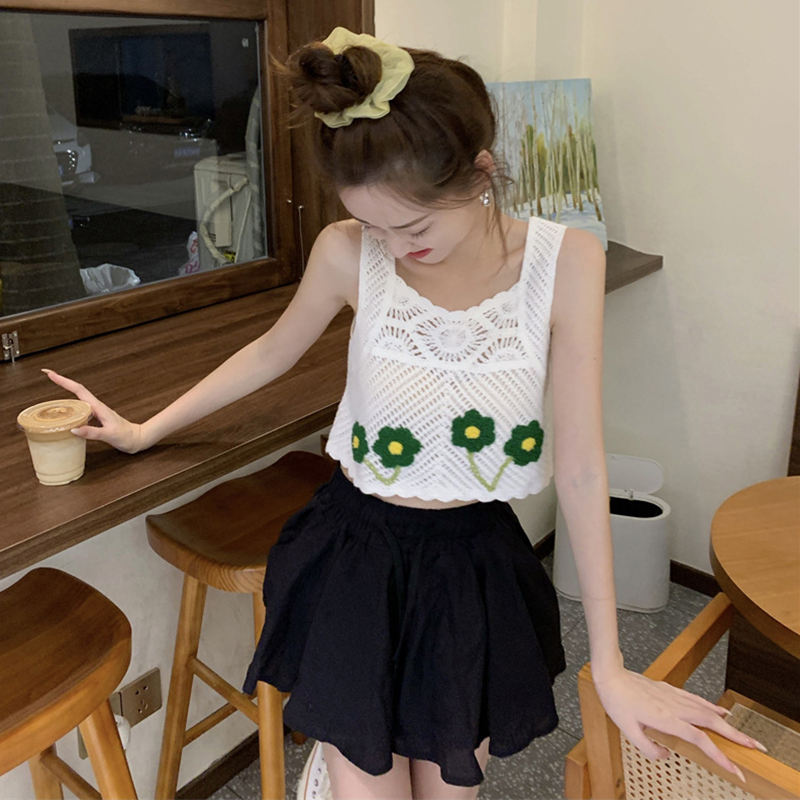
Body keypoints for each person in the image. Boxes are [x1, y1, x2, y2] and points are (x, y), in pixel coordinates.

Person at [44, 26, 764, 800]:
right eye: (375, 226)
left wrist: (613, 664)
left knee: (451, 787)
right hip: (358, 558)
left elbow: (584, 468)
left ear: (481, 173)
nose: (392, 246)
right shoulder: (348, 251)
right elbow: (269, 353)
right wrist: (145, 430)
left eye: (414, 227)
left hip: (473, 568)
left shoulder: (566, 264)